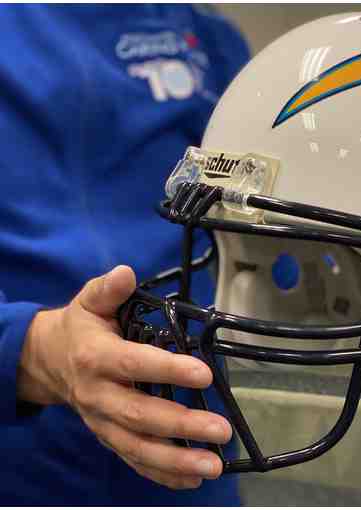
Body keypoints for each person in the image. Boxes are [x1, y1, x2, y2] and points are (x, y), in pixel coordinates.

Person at [0, 4, 250, 505]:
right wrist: (34, 350)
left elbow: (266, 243)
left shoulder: (209, 38)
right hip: (27, 459)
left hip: (194, 440)